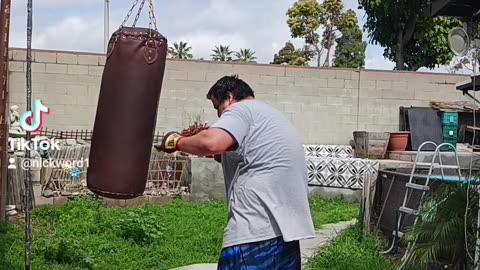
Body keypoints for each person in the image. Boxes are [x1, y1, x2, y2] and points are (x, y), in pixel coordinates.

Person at [155, 75, 315, 269]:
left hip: (254, 231)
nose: (219, 116)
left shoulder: (240, 110)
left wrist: (176, 141)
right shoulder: (270, 115)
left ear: (229, 97)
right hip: (286, 235)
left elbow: (211, 142)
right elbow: (253, 155)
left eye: (217, 107)